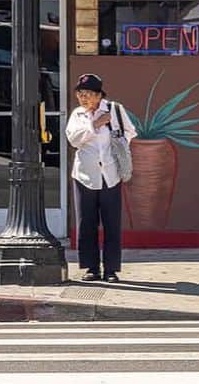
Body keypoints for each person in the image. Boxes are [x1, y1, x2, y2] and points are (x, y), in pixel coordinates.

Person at [65, 71, 136, 282]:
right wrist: (94, 125)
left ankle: (111, 269)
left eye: (87, 94)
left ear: (99, 95)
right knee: (86, 223)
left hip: (110, 174)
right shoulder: (78, 115)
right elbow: (74, 140)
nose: (83, 98)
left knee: (111, 223)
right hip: (85, 175)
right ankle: (91, 268)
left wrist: (119, 148)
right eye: (80, 94)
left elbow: (130, 132)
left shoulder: (115, 110)